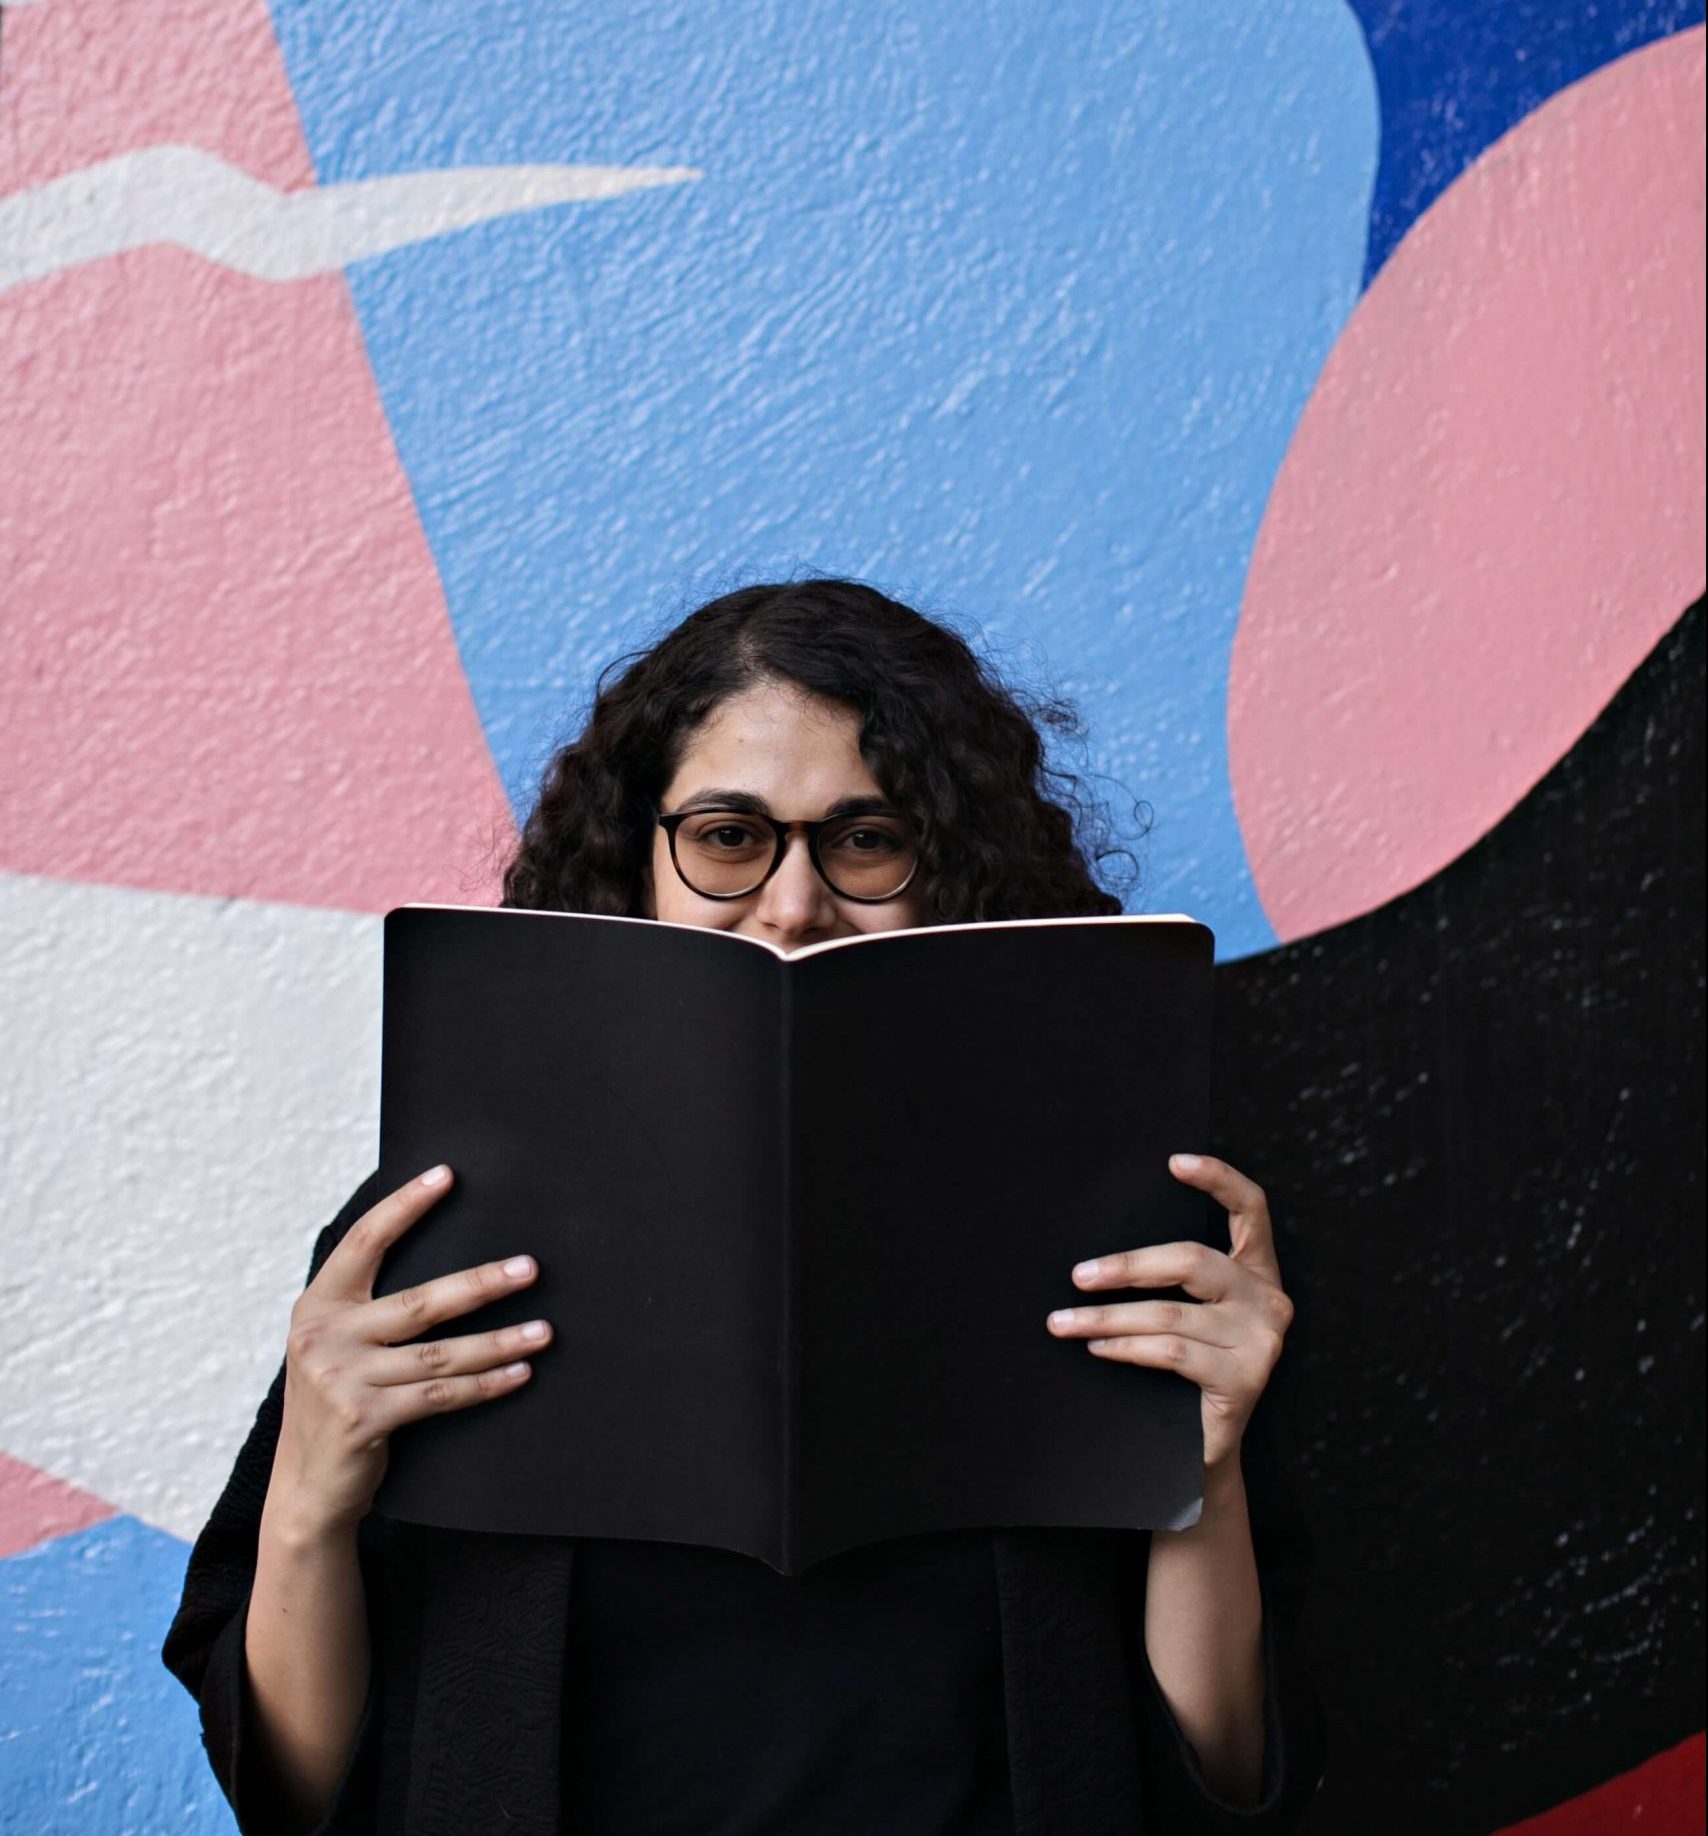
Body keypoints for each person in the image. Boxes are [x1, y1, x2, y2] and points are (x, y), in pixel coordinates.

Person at [162, 577, 1327, 1834]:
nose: (791, 903)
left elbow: (1227, 1778)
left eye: (866, 837)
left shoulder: (1128, 1215)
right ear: (635, 856)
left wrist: (1200, 1467)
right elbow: (289, 1789)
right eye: (728, 836)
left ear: (952, 865)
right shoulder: (442, 1220)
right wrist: (307, 1501)